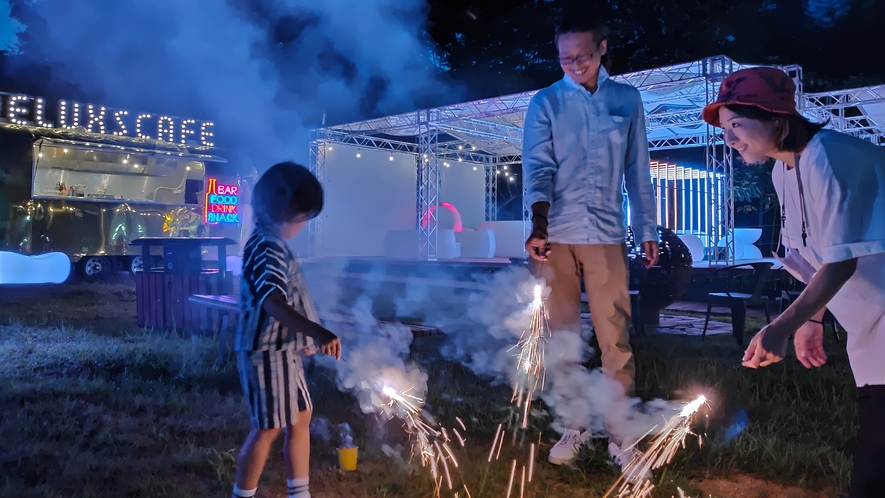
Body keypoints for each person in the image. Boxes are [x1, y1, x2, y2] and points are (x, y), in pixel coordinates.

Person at [702, 66, 885, 497]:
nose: (729, 139)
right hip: (871, 329)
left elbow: (842, 263)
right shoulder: (783, 171)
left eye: (736, 125)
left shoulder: (832, 157)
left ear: (777, 121)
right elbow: (813, 256)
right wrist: (812, 320)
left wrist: (781, 325)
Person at [522, 12, 659, 472]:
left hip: (604, 234)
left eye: (581, 54)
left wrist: (646, 230)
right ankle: (573, 427)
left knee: (614, 339)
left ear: (603, 48)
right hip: (555, 237)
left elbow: (639, 170)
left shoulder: (627, 100)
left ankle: (622, 438)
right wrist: (538, 225)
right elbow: (537, 167)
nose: (573, 63)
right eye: (564, 57)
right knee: (562, 340)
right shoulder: (545, 102)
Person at [231, 161, 343, 498]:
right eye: (303, 217)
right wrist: (318, 333)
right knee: (268, 427)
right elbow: (274, 303)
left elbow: (288, 298)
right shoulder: (267, 247)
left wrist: (304, 336)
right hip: (266, 352)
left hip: (284, 351)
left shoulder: (272, 244)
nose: (304, 224)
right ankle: (243, 494)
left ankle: (300, 493)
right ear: (288, 212)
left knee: (301, 414)